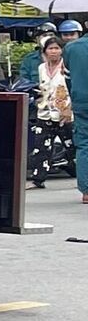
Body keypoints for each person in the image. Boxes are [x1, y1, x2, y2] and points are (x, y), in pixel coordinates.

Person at [29, 36, 72, 186]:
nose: (53, 52)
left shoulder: (66, 66)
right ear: (45, 51)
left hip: (64, 111)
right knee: (41, 147)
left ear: (62, 50)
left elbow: (71, 87)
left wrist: (69, 108)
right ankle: (38, 179)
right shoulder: (42, 68)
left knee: (72, 146)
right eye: (50, 48)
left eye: (56, 48)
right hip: (45, 110)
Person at [63, 24, 88, 205]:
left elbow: (68, 79)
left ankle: (86, 191)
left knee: (84, 145)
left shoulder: (71, 48)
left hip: (81, 102)